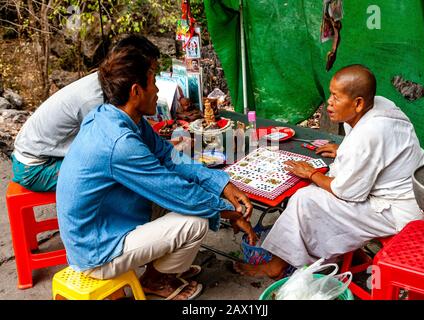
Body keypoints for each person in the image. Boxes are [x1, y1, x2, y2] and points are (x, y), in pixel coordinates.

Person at [56, 37, 256, 300]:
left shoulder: (115, 116)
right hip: (96, 251)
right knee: (195, 220)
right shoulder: (119, 143)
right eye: (153, 82)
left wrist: (222, 184)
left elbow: (169, 157)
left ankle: (159, 267)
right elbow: (178, 192)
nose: (159, 91)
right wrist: (228, 211)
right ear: (136, 91)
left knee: (193, 197)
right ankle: (155, 279)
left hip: (107, 224)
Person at [234, 64, 424, 279]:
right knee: (312, 193)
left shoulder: (369, 134)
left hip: (397, 213)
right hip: (410, 194)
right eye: (330, 95)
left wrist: (312, 174)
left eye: (336, 97)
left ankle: (276, 266)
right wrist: (343, 150)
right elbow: (378, 151)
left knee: (304, 198)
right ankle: (333, 254)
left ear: (358, 103)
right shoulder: (380, 105)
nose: (329, 102)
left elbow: (347, 192)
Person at [11, 35, 164, 192]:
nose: (153, 80)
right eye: (150, 72)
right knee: (121, 173)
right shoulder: (94, 100)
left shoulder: (108, 84)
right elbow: (117, 149)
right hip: (34, 167)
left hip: (45, 154)